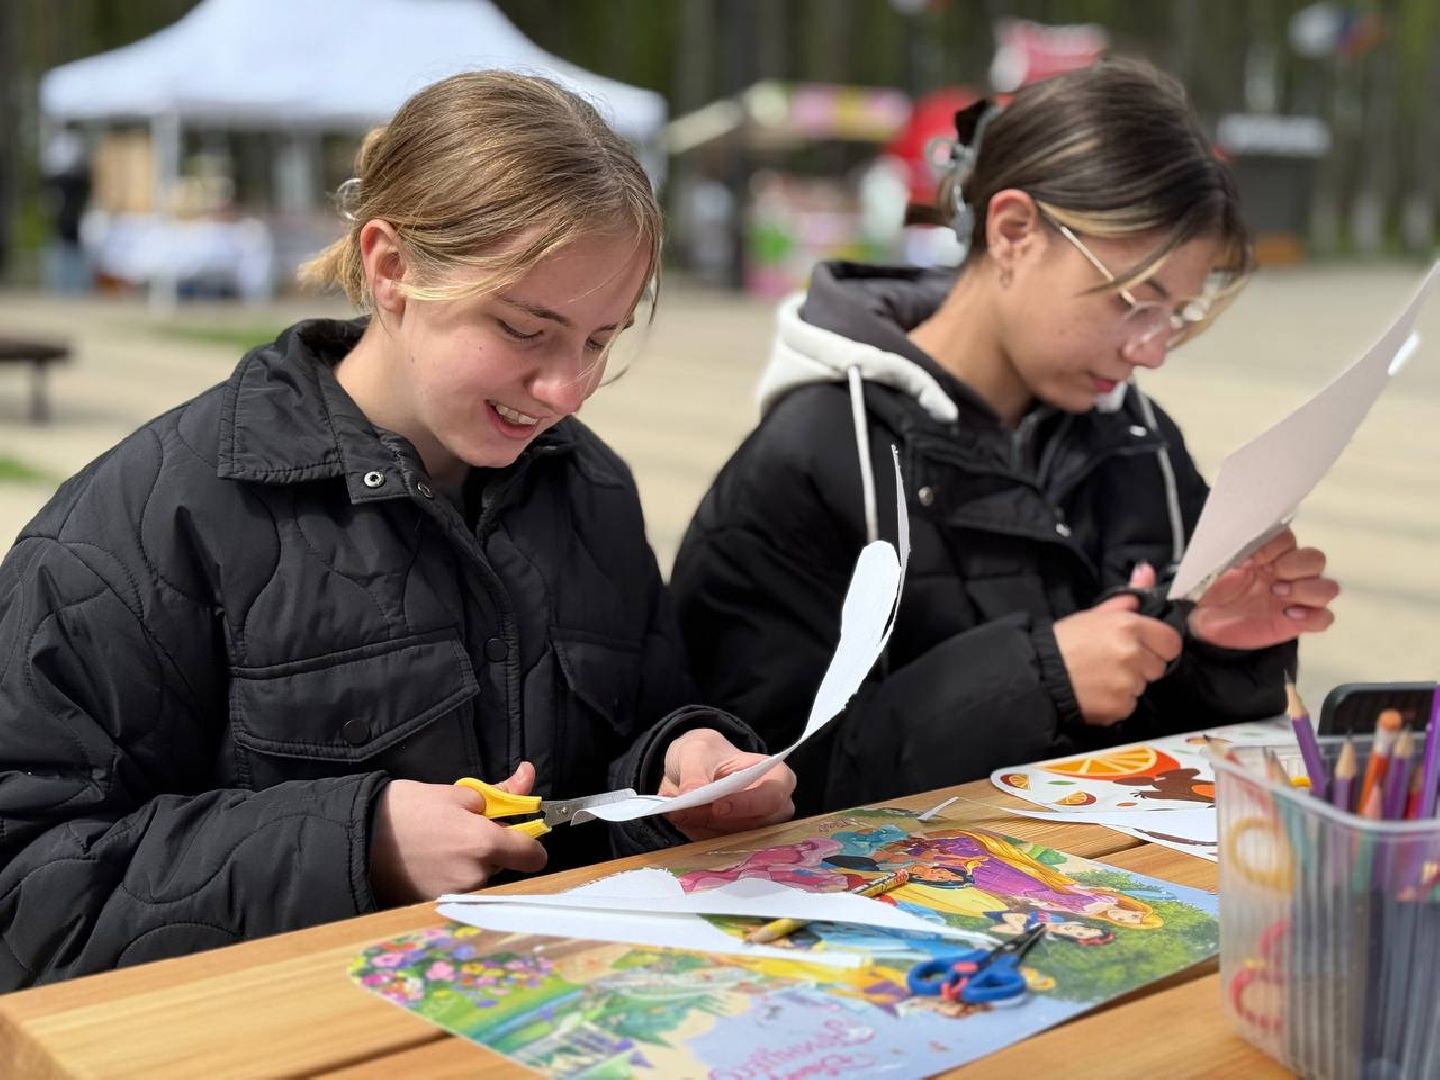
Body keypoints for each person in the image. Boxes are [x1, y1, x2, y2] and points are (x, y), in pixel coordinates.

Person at [0, 72, 794, 990]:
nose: (567, 389)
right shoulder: (152, 521)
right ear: (390, 268)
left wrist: (679, 767)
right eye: (525, 328)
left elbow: (621, 740)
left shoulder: (589, 485)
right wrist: (357, 841)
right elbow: (26, 894)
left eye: (599, 340)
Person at [670, 59, 1339, 816]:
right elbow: (755, 790)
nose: (1150, 350)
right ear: (1015, 230)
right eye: (1133, 302)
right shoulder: (817, 454)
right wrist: (1038, 680)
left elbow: (1173, 764)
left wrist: (1217, 648)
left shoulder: (1141, 442)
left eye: (1177, 317)